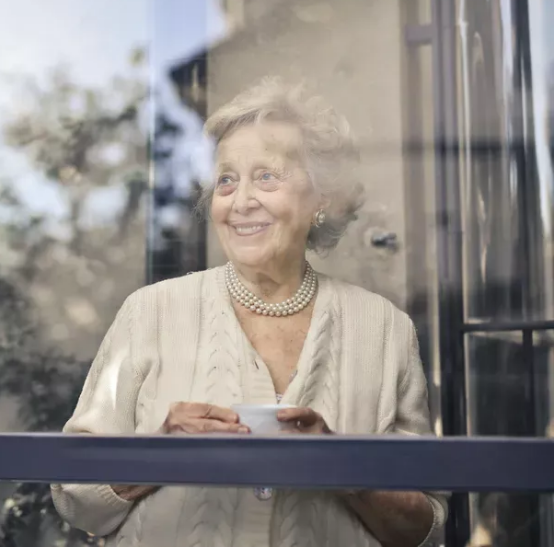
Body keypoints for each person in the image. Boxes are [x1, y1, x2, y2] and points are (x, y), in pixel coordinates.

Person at [51, 78, 447, 546]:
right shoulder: (150, 312)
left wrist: (340, 465)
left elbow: (423, 528)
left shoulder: (384, 330)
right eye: (226, 180)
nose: (241, 202)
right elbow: (74, 494)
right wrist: (160, 450)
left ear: (322, 198)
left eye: (266, 177)